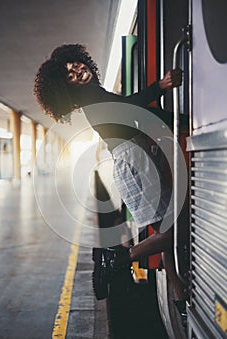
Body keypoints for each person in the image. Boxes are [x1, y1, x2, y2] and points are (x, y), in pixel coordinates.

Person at [33, 44, 187, 302]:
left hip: (132, 159)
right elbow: (129, 107)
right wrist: (160, 87)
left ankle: (179, 295)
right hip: (134, 162)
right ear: (66, 88)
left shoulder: (94, 94)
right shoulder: (91, 98)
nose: (78, 71)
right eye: (70, 75)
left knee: (164, 233)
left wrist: (173, 119)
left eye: (75, 65)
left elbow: (133, 113)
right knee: (172, 234)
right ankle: (116, 258)